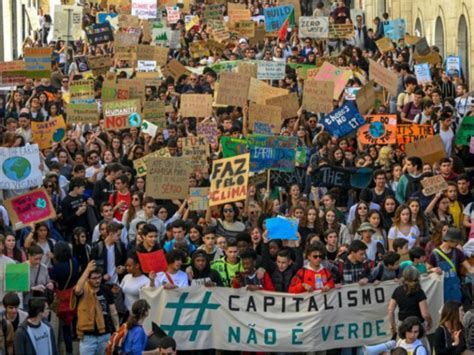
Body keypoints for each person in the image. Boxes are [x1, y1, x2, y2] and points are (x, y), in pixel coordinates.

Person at [72, 261, 119, 355]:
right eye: (94, 278)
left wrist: (118, 330)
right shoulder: (84, 290)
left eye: (99, 277)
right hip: (88, 337)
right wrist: (87, 270)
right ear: (88, 279)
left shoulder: (106, 290)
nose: (97, 280)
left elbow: (113, 312)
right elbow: (77, 289)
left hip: (105, 335)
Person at [428, 227, 474, 302]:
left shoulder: (458, 253)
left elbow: (470, 269)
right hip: (441, 290)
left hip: (455, 290)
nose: (458, 244)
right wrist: (433, 269)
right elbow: (427, 269)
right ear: (450, 240)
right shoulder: (435, 254)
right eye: (457, 242)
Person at [388, 267, 432, 336]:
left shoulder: (397, 290)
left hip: (403, 324)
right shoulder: (419, 292)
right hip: (417, 326)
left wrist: (392, 326)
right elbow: (425, 314)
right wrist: (430, 322)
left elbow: (390, 310)